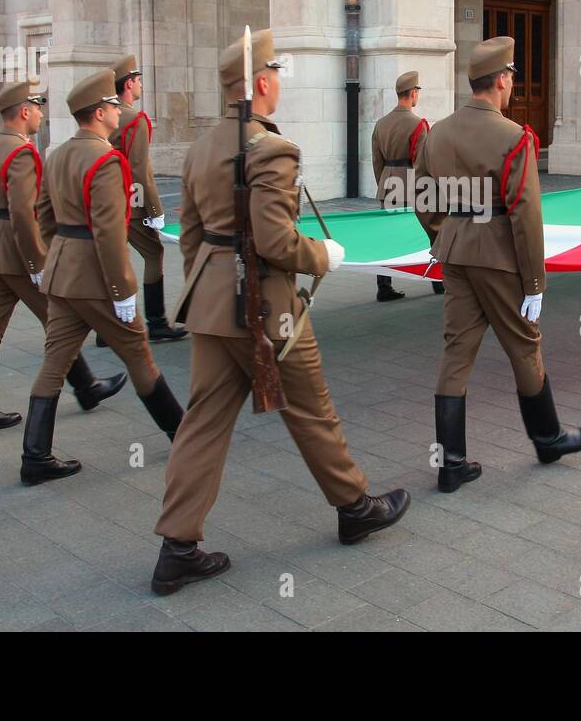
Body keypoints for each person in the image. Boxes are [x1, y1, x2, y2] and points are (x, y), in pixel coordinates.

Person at [151, 29, 409, 595]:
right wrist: (322, 255)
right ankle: (354, 506)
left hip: (212, 303)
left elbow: (191, 237)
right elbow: (273, 239)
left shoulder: (201, 148)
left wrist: (210, 287)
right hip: (267, 307)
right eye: (277, 76)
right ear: (262, 82)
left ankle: (178, 548)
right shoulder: (272, 149)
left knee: (201, 426)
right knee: (312, 410)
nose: (280, 86)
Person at [413, 36, 581, 494]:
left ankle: (451, 463)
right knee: (523, 345)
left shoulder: (437, 133)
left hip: (454, 250)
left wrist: (445, 232)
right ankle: (547, 437)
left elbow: (421, 197)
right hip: (497, 255)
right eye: (512, 75)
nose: (513, 83)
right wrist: (534, 281)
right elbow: (525, 213)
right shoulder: (513, 137)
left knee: (457, 351)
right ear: (500, 79)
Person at [20, 69, 184, 485]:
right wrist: (121, 290)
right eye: (112, 105)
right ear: (98, 113)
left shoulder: (57, 154)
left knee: (55, 361)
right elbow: (110, 234)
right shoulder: (107, 160)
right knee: (140, 356)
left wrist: (45, 264)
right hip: (95, 276)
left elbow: (43, 217)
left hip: (62, 272)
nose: (117, 109)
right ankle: (183, 436)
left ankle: (35, 455)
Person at [0, 78, 125, 435]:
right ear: (24, 111)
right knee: (60, 325)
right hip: (19, 255)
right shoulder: (21, 152)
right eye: (37, 108)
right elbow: (24, 213)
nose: (40, 114)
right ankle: (86, 388)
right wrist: (37, 262)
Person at [104, 55, 186, 343]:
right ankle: (157, 322)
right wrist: (153, 208)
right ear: (129, 83)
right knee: (154, 254)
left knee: (113, 258)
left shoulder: (104, 113)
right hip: (131, 203)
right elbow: (140, 168)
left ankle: (108, 327)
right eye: (138, 81)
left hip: (106, 201)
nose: (141, 86)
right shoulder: (133, 119)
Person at [370, 70, 442, 300]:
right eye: (417, 91)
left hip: (388, 185)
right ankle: (437, 280)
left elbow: (376, 161)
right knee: (431, 232)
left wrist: (384, 183)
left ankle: (384, 286)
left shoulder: (381, 124)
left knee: (386, 238)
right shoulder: (417, 124)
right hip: (413, 185)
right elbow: (423, 161)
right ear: (412, 93)